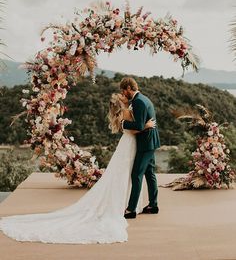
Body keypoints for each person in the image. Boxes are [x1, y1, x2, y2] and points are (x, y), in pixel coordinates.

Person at [0, 93, 155, 244]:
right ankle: (131, 206)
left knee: (126, 175)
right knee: (129, 175)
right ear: (120, 103)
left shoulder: (127, 110)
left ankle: (132, 205)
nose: (124, 96)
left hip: (129, 146)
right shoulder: (127, 111)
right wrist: (146, 125)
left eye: (123, 94)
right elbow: (135, 128)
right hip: (130, 145)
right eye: (122, 96)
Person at [120, 77, 160, 219]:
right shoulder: (144, 98)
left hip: (145, 143)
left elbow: (138, 125)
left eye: (124, 91)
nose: (124, 94)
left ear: (129, 88)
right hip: (150, 142)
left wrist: (123, 123)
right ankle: (153, 205)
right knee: (149, 173)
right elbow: (143, 124)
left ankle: (131, 210)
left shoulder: (138, 102)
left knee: (136, 175)